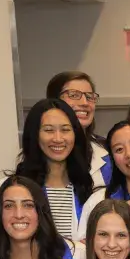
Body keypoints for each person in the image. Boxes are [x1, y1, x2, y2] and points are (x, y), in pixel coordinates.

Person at [11, 98, 98, 244]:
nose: (58, 138)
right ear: (35, 135)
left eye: (65, 130)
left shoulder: (89, 189)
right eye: (48, 130)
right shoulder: (12, 190)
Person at [48, 71, 107, 182]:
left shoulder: (108, 150)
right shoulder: (33, 154)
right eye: (74, 95)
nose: (85, 103)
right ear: (53, 102)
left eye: (89, 97)